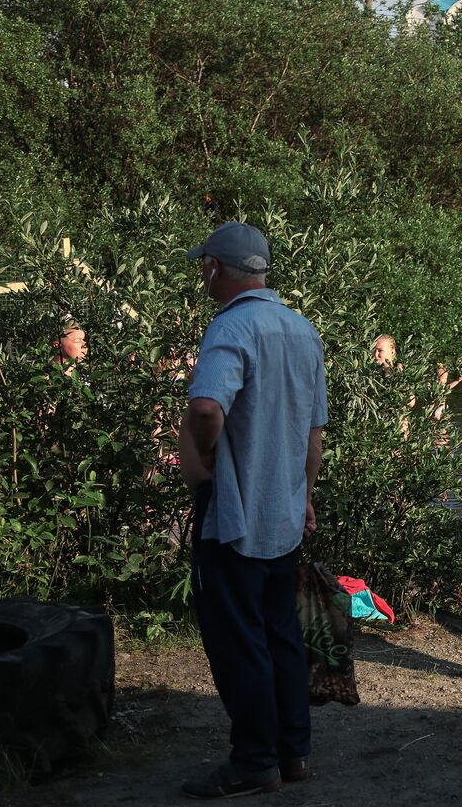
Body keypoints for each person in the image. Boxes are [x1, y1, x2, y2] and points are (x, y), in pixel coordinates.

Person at [177, 222, 328, 798]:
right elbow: (314, 437)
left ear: (217, 269)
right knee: (282, 634)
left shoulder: (230, 327)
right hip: (284, 514)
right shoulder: (301, 329)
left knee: (238, 639)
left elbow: (208, 407)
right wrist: (303, 494)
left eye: (204, 266)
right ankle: (294, 755)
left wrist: (212, 459)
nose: (202, 274)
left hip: (234, 514)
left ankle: (253, 761)